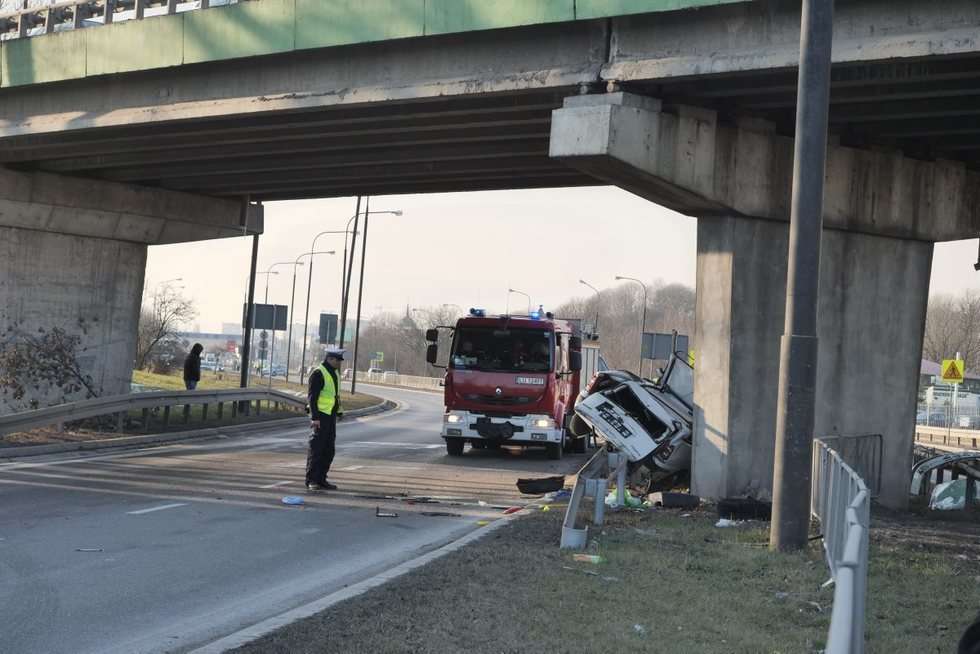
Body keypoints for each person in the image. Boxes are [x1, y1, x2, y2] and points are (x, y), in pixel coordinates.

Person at [306, 347, 344, 491]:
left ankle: (322, 479)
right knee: (316, 449)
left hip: (330, 416)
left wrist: (339, 412)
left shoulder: (334, 373)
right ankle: (312, 480)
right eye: (337, 360)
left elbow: (335, 396)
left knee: (328, 450)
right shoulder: (318, 373)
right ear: (330, 359)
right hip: (320, 416)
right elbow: (312, 397)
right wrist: (314, 418)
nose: (339, 363)